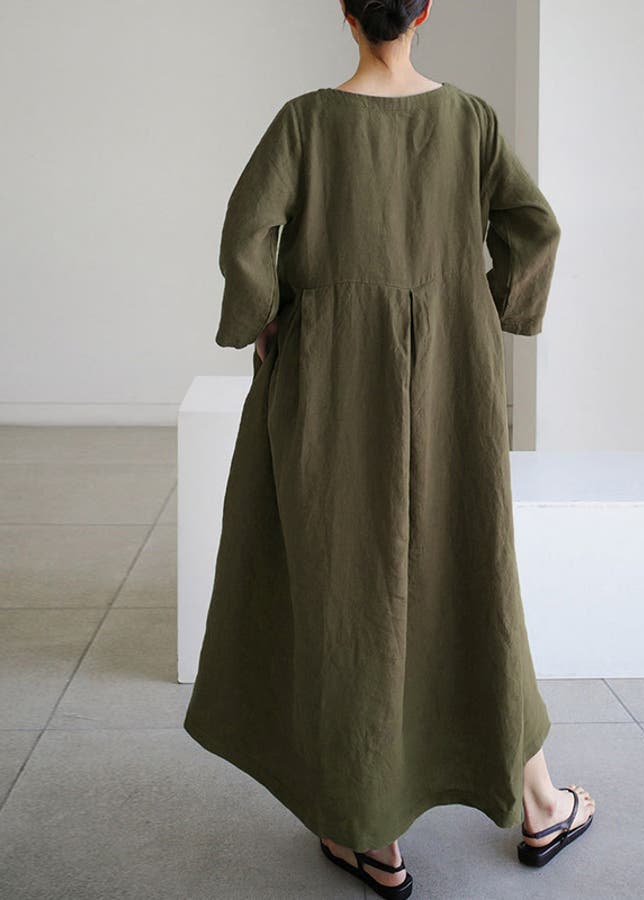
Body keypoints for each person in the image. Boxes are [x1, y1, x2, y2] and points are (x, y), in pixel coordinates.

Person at [183, 1, 595, 896]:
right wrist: (488, 307)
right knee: (468, 573)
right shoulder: (471, 120)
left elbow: (247, 233)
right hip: (452, 379)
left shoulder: (306, 122)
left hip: (332, 379)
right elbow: (534, 226)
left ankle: (373, 838)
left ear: (347, 13)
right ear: (425, 11)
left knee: (345, 585)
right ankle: (538, 805)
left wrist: (262, 318)